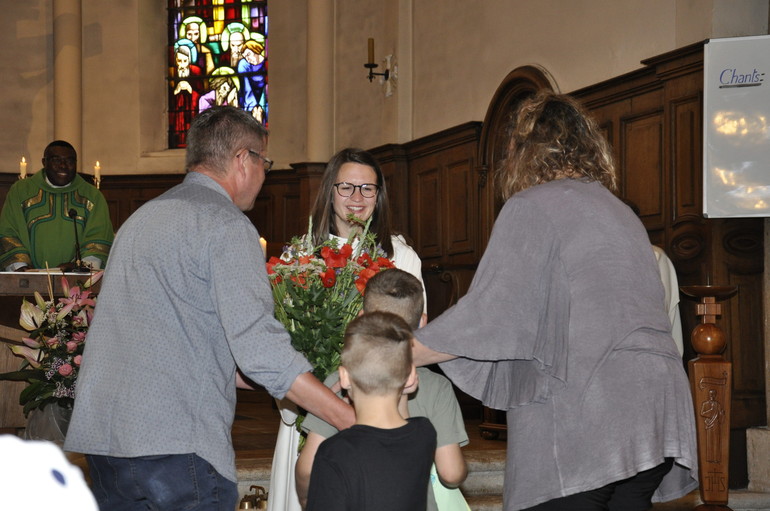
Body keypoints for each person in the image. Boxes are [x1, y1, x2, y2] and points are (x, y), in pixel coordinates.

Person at [411, 92, 699, 510]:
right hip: (655, 417)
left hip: (590, 415)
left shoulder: (531, 206)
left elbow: (490, 315)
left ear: (524, 151)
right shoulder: (621, 213)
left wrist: (396, 353)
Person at [64, 106, 354, 510]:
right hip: (176, 444)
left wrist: (302, 381)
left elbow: (177, 344)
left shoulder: (139, 220)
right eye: (265, 162)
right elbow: (259, 349)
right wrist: (349, 419)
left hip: (106, 441)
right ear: (242, 160)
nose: (265, 174)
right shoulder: (225, 225)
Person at [267, 147, 427, 511]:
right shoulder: (299, 257)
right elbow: (278, 337)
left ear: (379, 195)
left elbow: (413, 333)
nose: (357, 198)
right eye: (346, 188)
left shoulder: (401, 257)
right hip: (312, 402)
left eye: (367, 189)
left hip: (379, 411)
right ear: (329, 191)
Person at [297, 268, 470, 510]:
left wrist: (307, 501)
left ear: (360, 318)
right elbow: (451, 474)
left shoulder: (335, 387)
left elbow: (307, 470)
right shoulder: (431, 406)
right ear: (422, 322)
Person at [305, 311, 437, 511]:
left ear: (344, 378)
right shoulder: (424, 433)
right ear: (410, 377)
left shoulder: (335, 452)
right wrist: (404, 388)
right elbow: (402, 428)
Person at [0, 140, 114, 272]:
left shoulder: (92, 196)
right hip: (28, 278)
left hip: (76, 283)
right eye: (56, 160)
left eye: (70, 161)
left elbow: (99, 237)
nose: (63, 166)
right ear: (44, 162)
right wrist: (20, 266)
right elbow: (8, 231)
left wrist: (81, 265)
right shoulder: (21, 191)